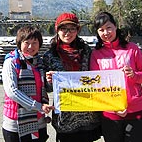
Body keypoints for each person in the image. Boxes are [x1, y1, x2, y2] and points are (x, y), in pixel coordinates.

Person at [90, 11, 142, 142]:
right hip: (111, 115)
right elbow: (96, 85)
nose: (106, 32)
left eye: (109, 28)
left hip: (137, 111)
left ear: (115, 27)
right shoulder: (96, 54)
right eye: (101, 30)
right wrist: (112, 107)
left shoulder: (132, 49)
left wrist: (135, 75)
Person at [43, 12, 102, 142]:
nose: (67, 33)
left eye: (72, 29)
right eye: (63, 29)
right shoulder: (50, 55)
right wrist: (49, 81)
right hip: (65, 115)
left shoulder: (86, 51)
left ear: (77, 30)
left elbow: (95, 77)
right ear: (57, 30)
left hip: (87, 113)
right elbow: (47, 88)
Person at [2, 26, 54, 142]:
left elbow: (45, 88)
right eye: (27, 42)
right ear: (20, 43)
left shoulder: (39, 63)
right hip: (16, 124)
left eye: (34, 42)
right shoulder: (11, 62)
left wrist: (50, 81)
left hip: (39, 122)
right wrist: (39, 106)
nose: (31, 47)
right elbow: (12, 92)